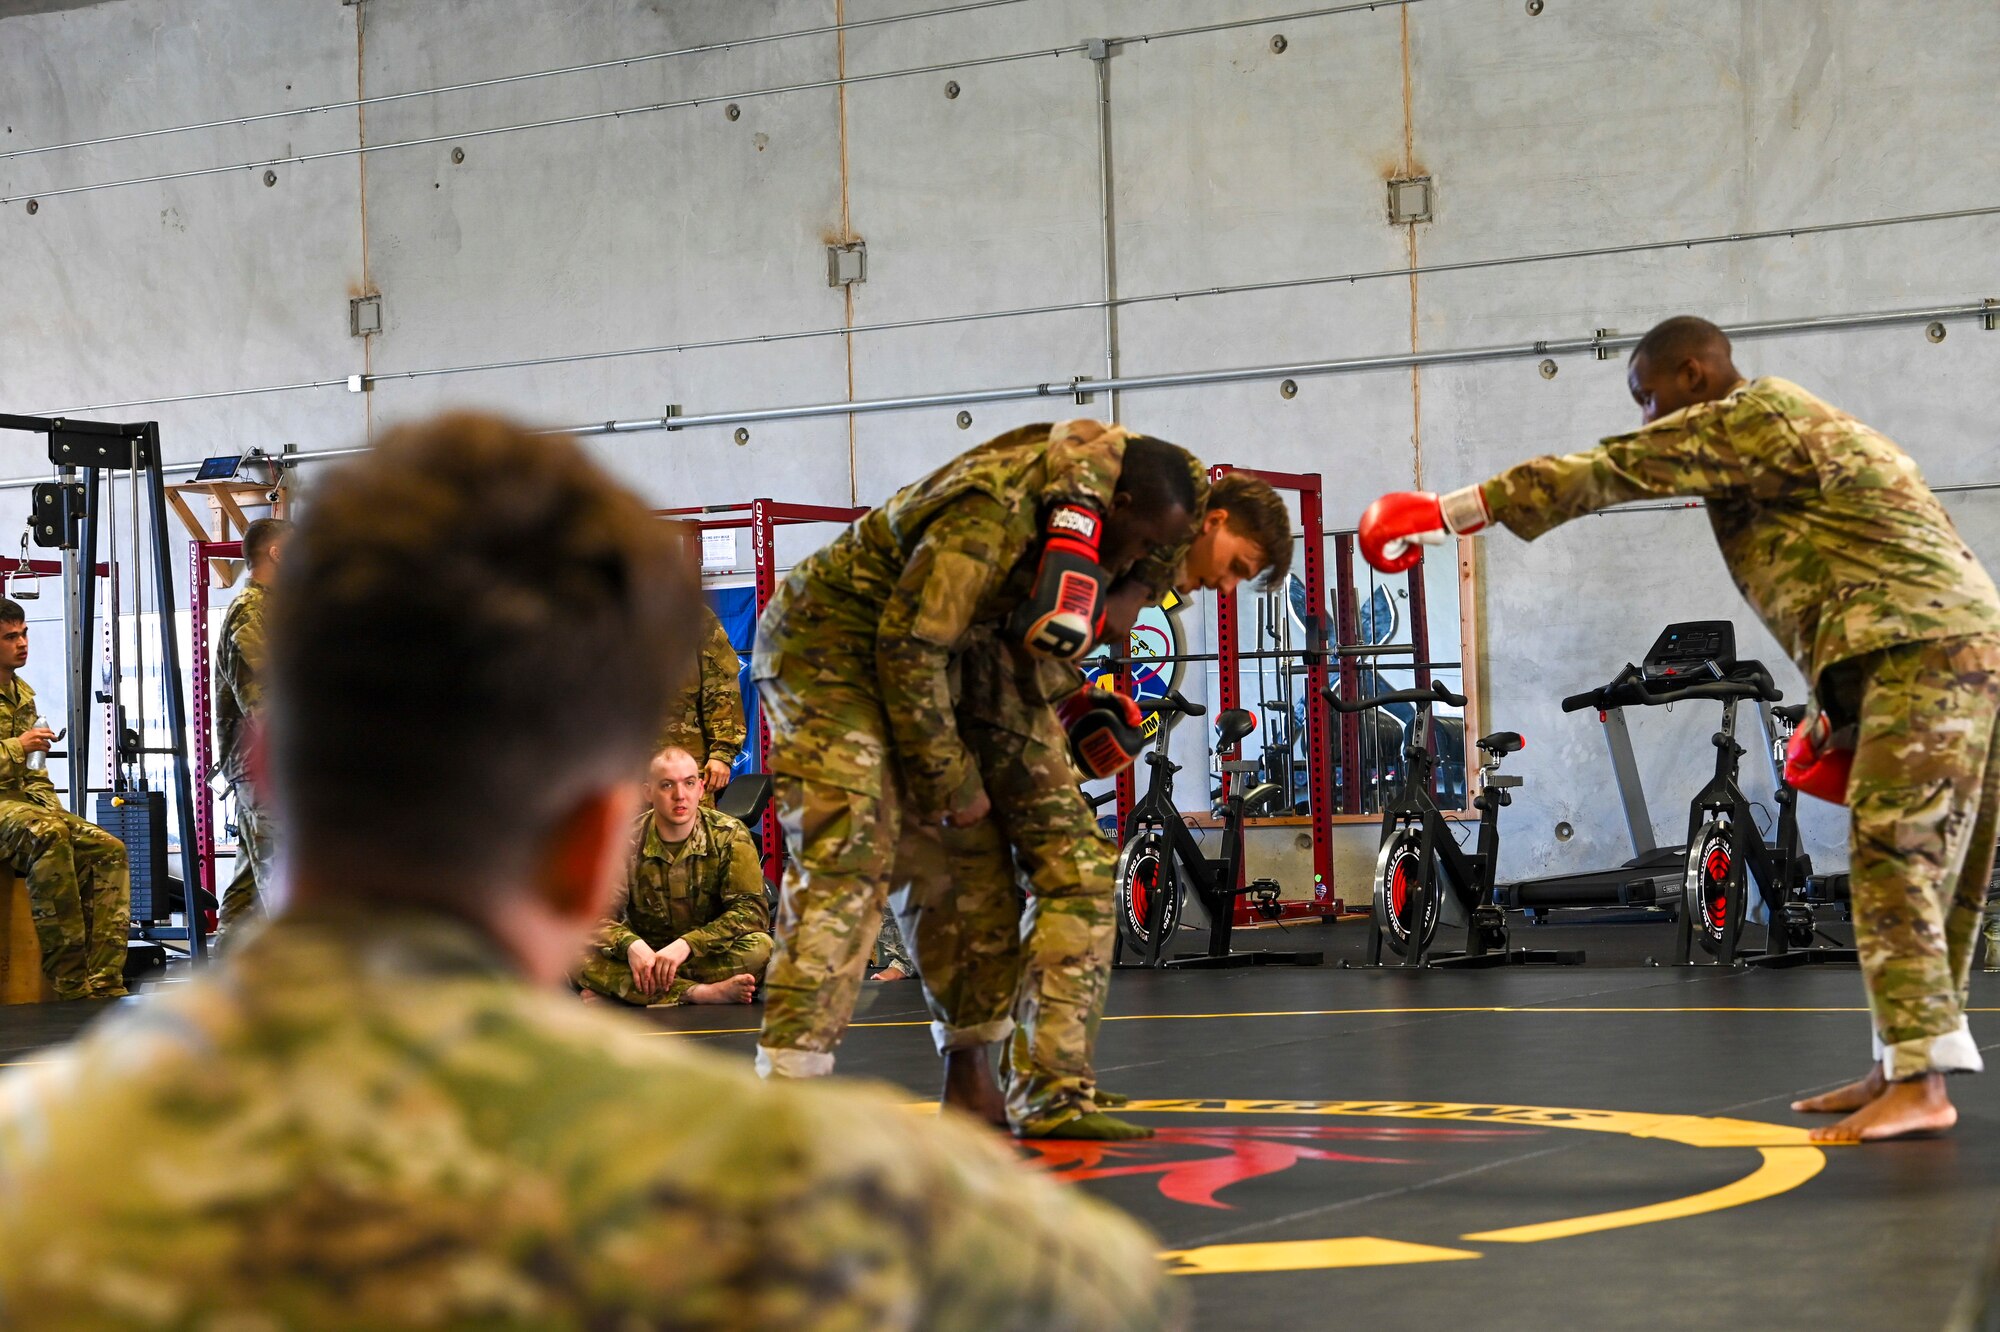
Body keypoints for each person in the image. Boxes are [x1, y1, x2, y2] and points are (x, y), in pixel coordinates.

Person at [0, 413, 1181, 1328]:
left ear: (265, 759)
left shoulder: (26, 1188)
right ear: (596, 835)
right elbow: (1112, 1295)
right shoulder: (902, 1235)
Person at [1357, 315, 2000, 1144]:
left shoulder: (1750, 418)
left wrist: (1451, 511)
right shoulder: (1800, 431)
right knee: (1943, 871)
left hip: (1920, 658)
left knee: (1895, 861)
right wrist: (1841, 706)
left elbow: (1612, 471)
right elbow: (1880, 567)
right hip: (1944, 654)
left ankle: (1919, 1084)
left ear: (1695, 373)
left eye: (1649, 394)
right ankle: (1902, 1068)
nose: (1648, 417)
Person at [754, 420, 1206, 1085]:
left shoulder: (1112, 521)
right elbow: (909, 648)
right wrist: (950, 780)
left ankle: (970, 1071)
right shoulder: (988, 516)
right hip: (829, 647)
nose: (1140, 562)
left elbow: (998, 641)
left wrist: (1072, 692)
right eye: (1139, 544)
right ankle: (788, 1089)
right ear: (1119, 507)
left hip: (935, 659)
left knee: (971, 866)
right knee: (852, 850)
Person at [906, 470, 1295, 1141]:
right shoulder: (1113, 524)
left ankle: (1048, 1085)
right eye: (1237, 566)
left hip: (992, 705)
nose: (1227, 586)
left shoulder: (1137, 559)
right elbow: (981, 635)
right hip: (932, 709)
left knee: (1080, 876)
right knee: (908, 896)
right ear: (1216, 521)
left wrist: (1075, 707)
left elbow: (1033, 643)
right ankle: (793, 1121)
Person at [0, 598, 130, 1001]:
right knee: (49, 834)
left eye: (24, 634)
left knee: (107, 846)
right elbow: (22, 756)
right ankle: (70, 984)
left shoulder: (22, 693)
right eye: (10, 637)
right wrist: (18, 747)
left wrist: (51, 807)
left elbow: (37, 776)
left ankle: (105, 982)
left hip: (21, 805)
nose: (22, 643)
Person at [577, 745, 772, 1006]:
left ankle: (625, 989)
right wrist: (630, 945)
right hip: (642, 952)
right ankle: (698, 993)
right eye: (667, 785)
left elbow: (751, 912)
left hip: (703, 954)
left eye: (689, 783)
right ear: (648, 792)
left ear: (701, 788)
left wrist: (687, 945)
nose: (680, 795)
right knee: (573, 952)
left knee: (760, 948)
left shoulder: (729, 834)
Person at [214, 515, 292, 930]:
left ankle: (226, 982)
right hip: (263, 770)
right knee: (282, 889)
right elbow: (263, 706)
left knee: (247, 897)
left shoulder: (276, 612)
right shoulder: (251, 613)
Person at [660, 601, 747, 796]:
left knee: (691, 826)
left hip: (685, 770)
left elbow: (721, 688)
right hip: (621, 778)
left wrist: (722, 754)